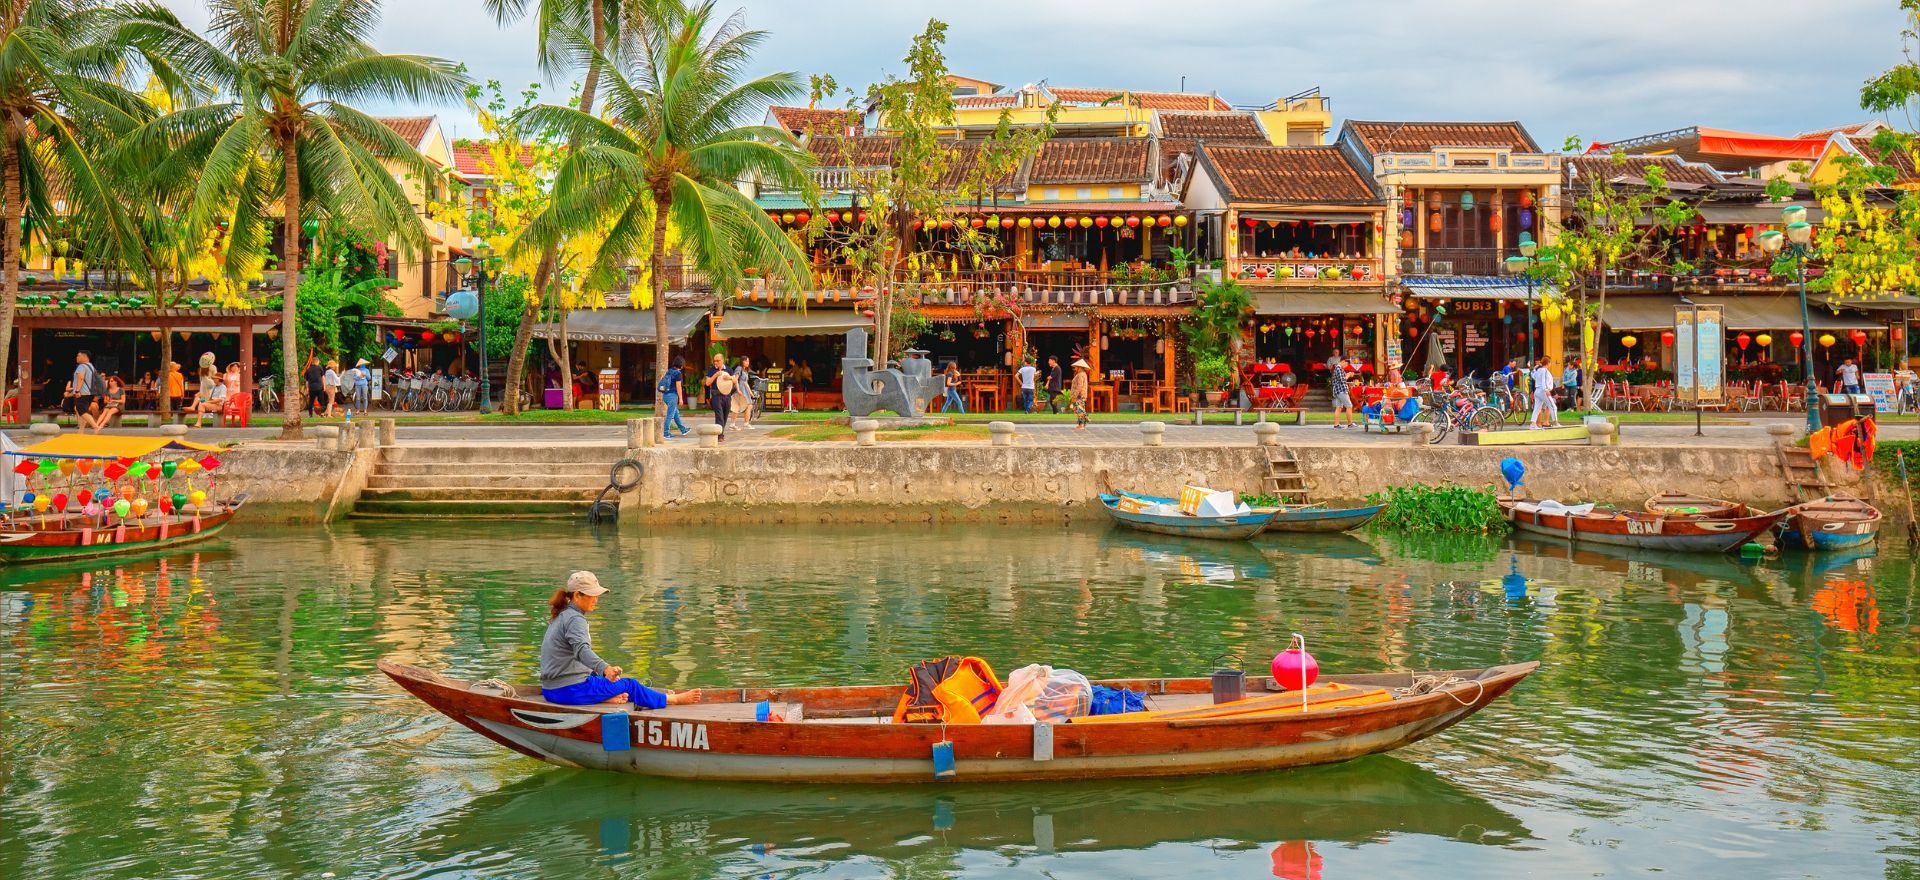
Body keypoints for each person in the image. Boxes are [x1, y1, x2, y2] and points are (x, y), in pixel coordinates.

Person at [540, 571, 699, 708]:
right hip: (569, 691)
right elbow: (582, 651)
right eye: (592, 595)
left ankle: (605, 698)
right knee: (631, 685)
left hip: (551, 690)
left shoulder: (562, 615)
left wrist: (602, 673)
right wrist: (606, 669)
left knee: (605, 679)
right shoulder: (575, 619)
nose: (596, 599)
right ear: (577, 595)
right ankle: (673, 699)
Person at [703, 352, 735, 441]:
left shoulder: (729, 369)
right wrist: (716, 375)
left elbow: (735, 380)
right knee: (719, 416)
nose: (716, 362)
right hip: (716, 395)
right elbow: (707, 383)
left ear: (722, 360)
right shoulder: (711, 370)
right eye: (714, 361)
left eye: (718, 360)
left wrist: (729, 378)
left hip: (727, 395)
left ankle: (720, 432)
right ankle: (720, 435)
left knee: (725, 415)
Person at [657, 356, 690, 438]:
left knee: (676, 413)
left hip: (665, 395)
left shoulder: (670, 371)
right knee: (670, 415)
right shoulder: (678, 373)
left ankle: (683, 430)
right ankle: (666, 433)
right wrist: (681, 399)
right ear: (681, 365)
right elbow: (678, 387)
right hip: (672, 396)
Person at [69, 351, 102, 424]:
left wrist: (77, 391)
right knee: (82, 411)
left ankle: (96, 427)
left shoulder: (81, 366)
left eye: (78, 356)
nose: (76, 357)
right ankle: (81, 429)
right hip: (90, 393)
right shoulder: (91, 366)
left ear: (84, 356)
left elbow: (81, 378)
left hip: (82, 393)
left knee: (82, 412)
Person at [1529, 357, 1558, 428]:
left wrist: (1534, 368)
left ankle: (1533, 424)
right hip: (1543, 391)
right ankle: (1556, 423)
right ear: (1548, 363)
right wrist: (1546, 389)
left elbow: (1533, 375)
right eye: (1550, 362)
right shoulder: (1545, 371)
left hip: (1537, 391)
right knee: (1553, 406)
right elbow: (1544, 380)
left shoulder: (1539, 370)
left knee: (1537, 408)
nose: (1550, 364)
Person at [730, 355, 757, 429]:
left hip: (744, 390)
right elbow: (735, 379)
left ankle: (746, 423)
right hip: (740, 389)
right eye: (746, 361)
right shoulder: (739, 368)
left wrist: (750, 392)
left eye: (748, 361)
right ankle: (732, 424)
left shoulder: (745, 370)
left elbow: (745, 382)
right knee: (737, 406)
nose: (747, 362)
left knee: (749, 405)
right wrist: (738, 389)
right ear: (742, 361)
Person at [1328, 356, 1355, 429]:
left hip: (1338, 391)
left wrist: (1348, 375)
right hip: (1341, 390)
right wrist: (1348, 375)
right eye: (1347, 364)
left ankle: (1336, 425)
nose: (1347, 366)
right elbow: (1342, 380)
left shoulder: (1338, 368)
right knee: (1349, 406)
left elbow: (1340, 379)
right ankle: (1350, 424)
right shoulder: (1339, 368)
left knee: (1339, 407)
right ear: (1343, 361)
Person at [1069, 358, 1090, 429]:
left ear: (1079, 367)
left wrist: (1074, 395)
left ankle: (1081, 424)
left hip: (1079, 395)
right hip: (1081, 395)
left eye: (1076, 367)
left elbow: (1079, 386)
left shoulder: (1081, 375)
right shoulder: (1082, 374)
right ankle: (1081, 423)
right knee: (1079, 409)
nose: (1074, 368)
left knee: (1079, 410)